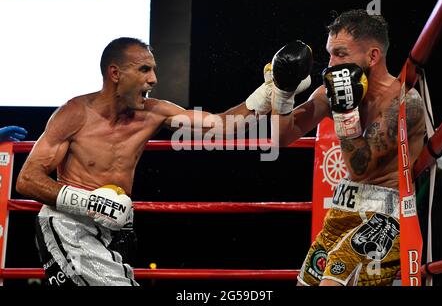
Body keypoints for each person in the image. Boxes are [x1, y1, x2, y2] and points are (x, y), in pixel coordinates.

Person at [15, 37, 311, 286]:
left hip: (114, 231)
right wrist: (91, 203)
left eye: (153, 70)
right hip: (69, 226)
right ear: (115, 73)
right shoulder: (74, 114)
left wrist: (269, 92)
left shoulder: (154, 112)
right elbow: (27, 179)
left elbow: (221, 126)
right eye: (144, 70)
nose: (153, 79)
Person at [269, 9, 425, 286]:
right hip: (341, 213)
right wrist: (283, 93)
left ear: (372, 56)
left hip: (384, 220)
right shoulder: (328, 93)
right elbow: (282, 138)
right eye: (330, 54)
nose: (330, 64)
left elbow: (360, 166)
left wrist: (345, 111)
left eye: (340, 54)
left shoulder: (403, 102)